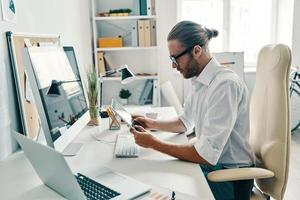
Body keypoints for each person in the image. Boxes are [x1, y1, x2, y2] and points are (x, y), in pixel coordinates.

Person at [130, 21, 255, 200]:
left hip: (230, 177)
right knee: (159, 178)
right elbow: (184, 123)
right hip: (214, 167)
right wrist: (152, 124)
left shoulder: (224, 85)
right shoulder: (198, 80)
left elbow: (205, 155)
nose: (173, 66)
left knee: (161, 183)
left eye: (175, 58)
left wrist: (153, 143)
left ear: (197, 51)